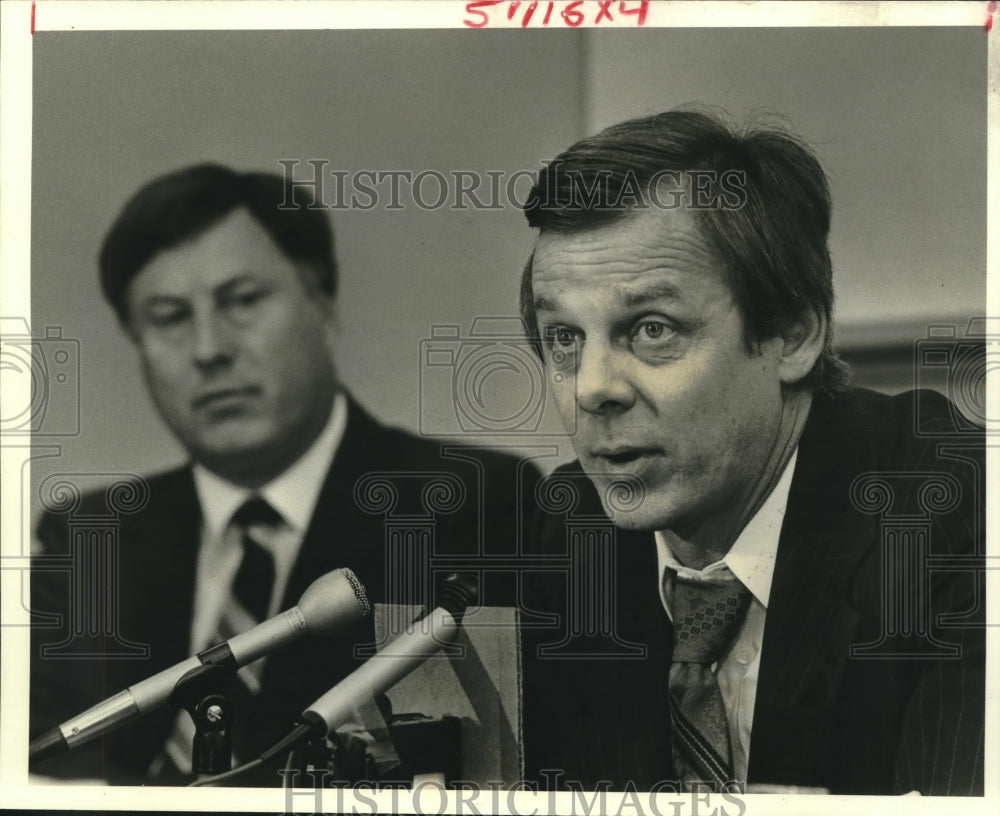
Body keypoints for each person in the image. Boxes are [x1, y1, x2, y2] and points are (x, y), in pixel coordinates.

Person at [517, 110, 985, 796]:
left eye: (651, 329)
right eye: (564, 338)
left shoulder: (953, 507)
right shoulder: (565, 538)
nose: (592, 389)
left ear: (792, 336)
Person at [29, 164, 534, 785]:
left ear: (322, 299)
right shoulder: (88, 536)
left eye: (242, 301)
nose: (210, 348)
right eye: (169, 316)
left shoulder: (479, 504)